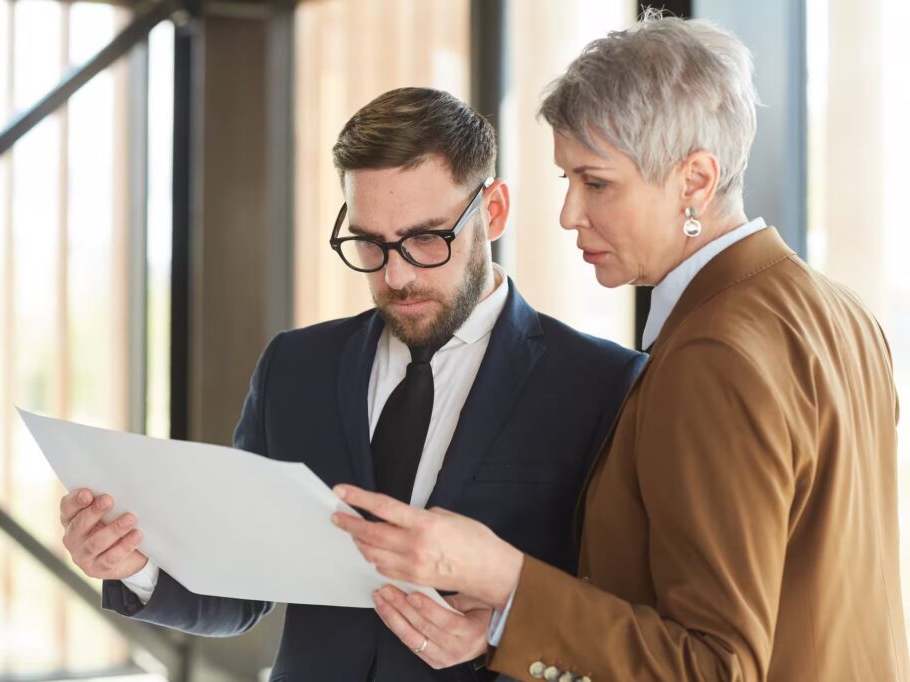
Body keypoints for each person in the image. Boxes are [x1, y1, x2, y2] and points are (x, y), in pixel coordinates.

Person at [333, 14, 910, 682]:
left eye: (597, 182)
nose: (569, 214)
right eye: (566, 181)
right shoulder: (840, 312)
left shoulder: (713, 352)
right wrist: (503, 621)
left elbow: (714, 666)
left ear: (695, 181)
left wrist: (505, 577)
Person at [57, 87, 645, 681]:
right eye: (369, 242)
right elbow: (242, 583)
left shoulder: (602, 386)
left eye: (425, 239)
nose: (396, 274)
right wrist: (136, 564)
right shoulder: (295, 367)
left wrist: (499, 633)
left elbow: (624, 623)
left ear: (491, 212)